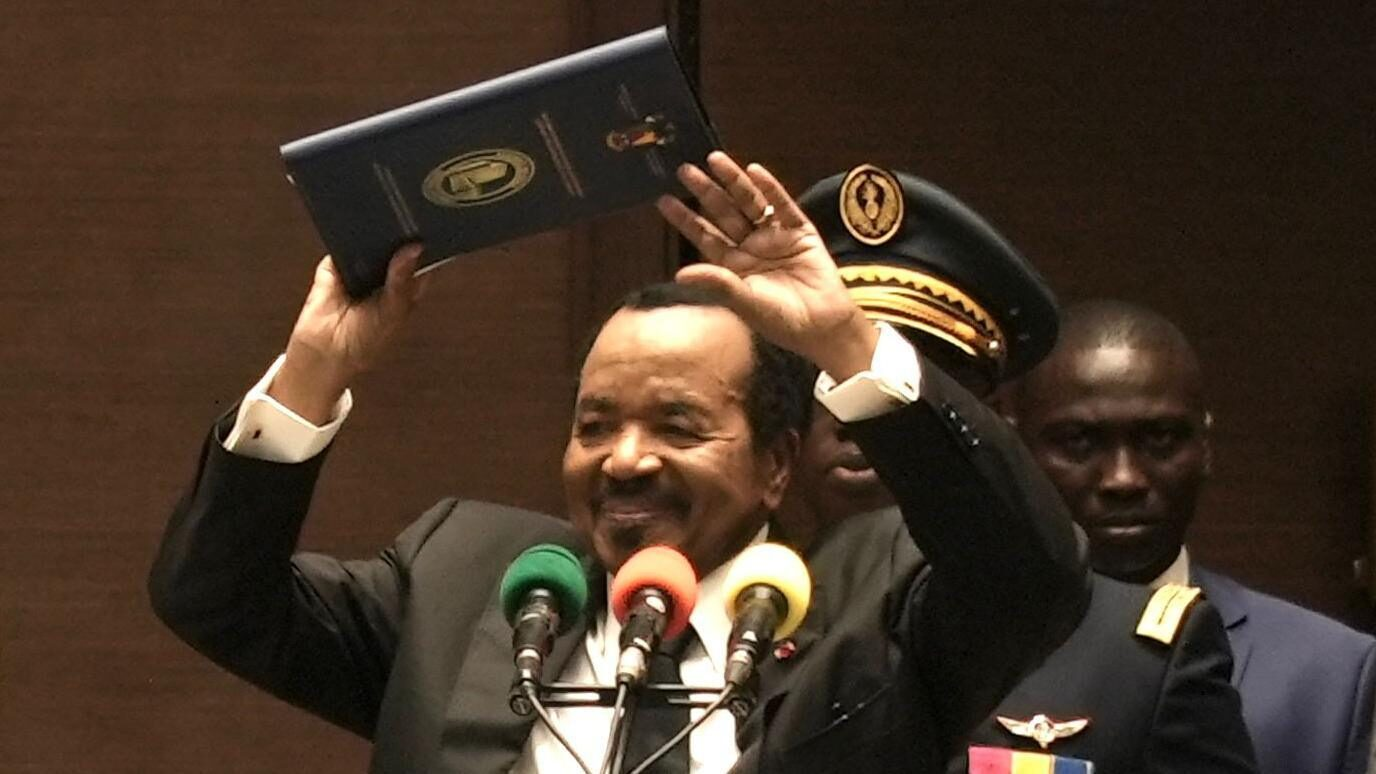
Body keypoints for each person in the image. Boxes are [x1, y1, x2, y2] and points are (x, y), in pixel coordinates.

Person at [148, 152, 1087, 773]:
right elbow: (215, 597)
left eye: (678, 426)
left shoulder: (874, 602)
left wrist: (846, 341)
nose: (625, 461)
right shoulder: (462, 580)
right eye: (594, 426)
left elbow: (1030, 574)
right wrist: (315, 369)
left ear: (776, 463)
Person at [773, 166, 1256, 773]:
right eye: (829, 375)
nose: (863, 414)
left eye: (915, 385)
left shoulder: (1135, 652)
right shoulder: (732, 628)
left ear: (991, 419)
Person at [1003, 298, 1376, 774]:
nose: (1123, 479)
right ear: (1017, 450)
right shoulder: (958, 652)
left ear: (1205, 447)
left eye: (1160, 438)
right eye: (1079, 441)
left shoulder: (1329, 671)